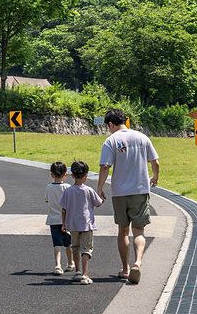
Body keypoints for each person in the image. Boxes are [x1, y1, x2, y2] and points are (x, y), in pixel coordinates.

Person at [96, 108, 160, 284]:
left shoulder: (111, 141)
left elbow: (105, 167)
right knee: (139, 231)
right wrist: (154, 177)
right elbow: (155, 162)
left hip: (120, 192)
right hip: (140, 190)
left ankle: (125, 269)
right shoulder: (142, 137)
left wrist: (99, 188)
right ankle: (137, 263)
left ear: (110, 124)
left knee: (123, 230)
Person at [59, 160, 103, 285]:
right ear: (86, 176)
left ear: (72, 175)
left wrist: (63, 224)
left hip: (72, 225)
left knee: (76, 247)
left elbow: (63, 209)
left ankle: (77, 271)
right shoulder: (89, 190)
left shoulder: (68, 191)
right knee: (86, 249)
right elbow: (98, 203)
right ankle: (85, 275)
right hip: (86, 224)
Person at [45, 161, 75, 275]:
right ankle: (70, 263)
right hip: (66, 221)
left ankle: (58, 265)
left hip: (53, 220)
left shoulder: (49, 187)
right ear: (66, 174)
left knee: (57, 244)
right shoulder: (67, 187)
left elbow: (47, 200)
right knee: (68, 243)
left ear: (52, 174)